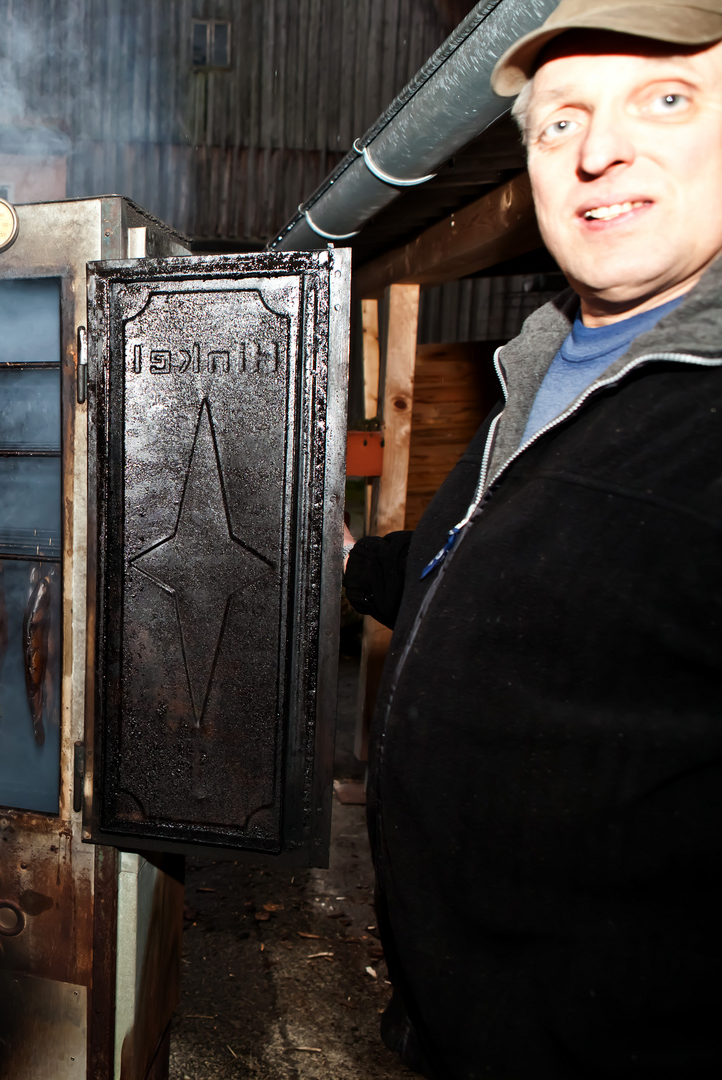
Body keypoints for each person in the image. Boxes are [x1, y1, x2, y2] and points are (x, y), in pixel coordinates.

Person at [342, 1, 722, 1074]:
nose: (600, 151)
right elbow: (491, 568)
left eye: (666, 98)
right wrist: (348, 566)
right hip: (461, 1022)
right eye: (561, 121)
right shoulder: (540, 370)